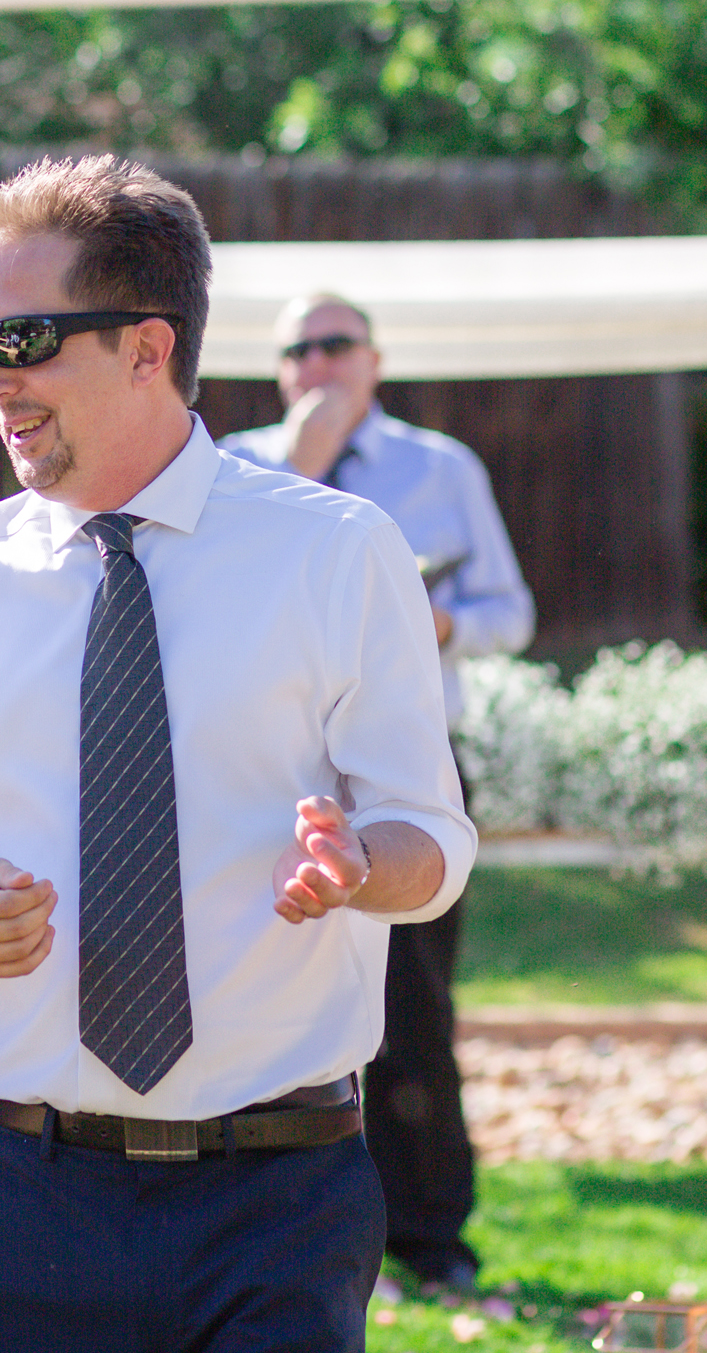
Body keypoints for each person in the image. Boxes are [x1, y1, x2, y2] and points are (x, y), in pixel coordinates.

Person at [0, 155, 476, 1352]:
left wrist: (358, 869)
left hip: (280, 1196)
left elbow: (428, 834)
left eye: (18, 342)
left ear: (147, 346)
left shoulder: (336, 552)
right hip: (24, 1193)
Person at [219, 294, 534, 1292]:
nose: (317, 362)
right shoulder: (234, 463)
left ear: (375, 358)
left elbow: (509, 611)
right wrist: (304, 457)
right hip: (269, 770)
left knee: (411, 1009)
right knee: (259, 1002)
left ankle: (430, 1242)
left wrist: (435, 627)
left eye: (336, 344)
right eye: (296, 349)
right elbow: (230, 585)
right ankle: (272, 1237)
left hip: (403, 767)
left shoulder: (438, 468)